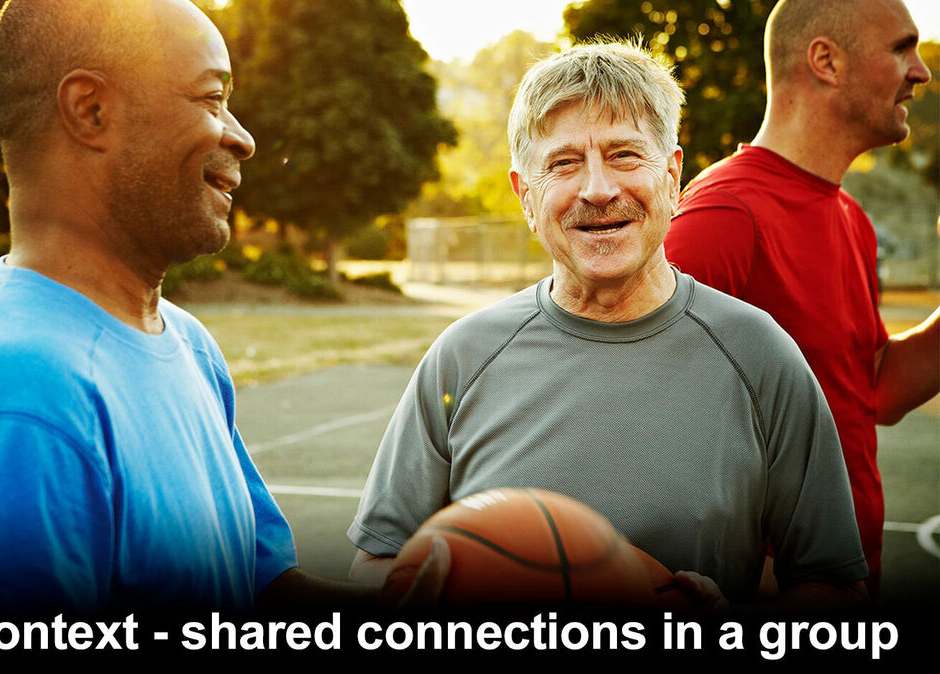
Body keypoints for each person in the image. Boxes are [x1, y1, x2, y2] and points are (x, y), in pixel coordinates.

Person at [0, 0, 444, 616]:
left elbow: (260, 594)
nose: (244, 138)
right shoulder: (11, 398)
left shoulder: (189, 346)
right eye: (210, 98)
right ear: (91, 110)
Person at [347, 42, 869, 611]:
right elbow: (376, 564)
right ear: (526, 195)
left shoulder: (760, 355)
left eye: (624, 155)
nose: (597, 189)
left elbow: (836, 585)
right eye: (564, 163)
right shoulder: (463, 358)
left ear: (672, 177)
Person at [664, 0, 939, 595]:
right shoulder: (725, 214)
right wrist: (737, 565)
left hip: (851, 577)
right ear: (826, 61)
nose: (920, 71)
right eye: (902, 47)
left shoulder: (852, 219)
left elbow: (875, 391)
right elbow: (632, 403)